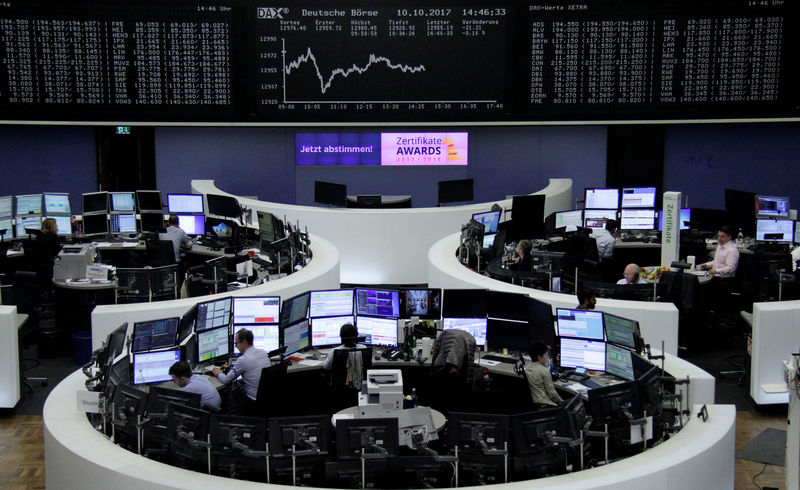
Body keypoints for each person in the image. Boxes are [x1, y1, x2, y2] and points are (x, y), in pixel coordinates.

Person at [212, 328, 271, 412]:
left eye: (237, 343)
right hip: (267, 396)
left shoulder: (243, 360)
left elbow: (226, 380)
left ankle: (228, 417)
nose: (235, 346)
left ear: (244, 342)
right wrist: (233, 368)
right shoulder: (263, 353)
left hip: (252, 401)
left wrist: (218, 373)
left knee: (231, 389)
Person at [524, 341, 562, 409]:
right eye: (545, 354)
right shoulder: (544, 371)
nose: (547, 356)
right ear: (539, 357)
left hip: (535, 401)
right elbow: (552, 394)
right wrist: (562, 402)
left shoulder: (527, 368)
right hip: (545, 403)